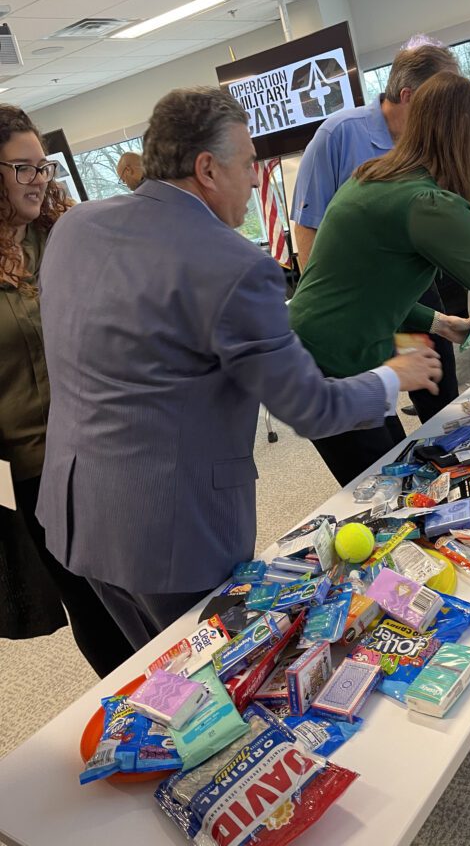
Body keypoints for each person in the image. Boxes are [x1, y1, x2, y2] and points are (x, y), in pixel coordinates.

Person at [35, 88, 441, 650]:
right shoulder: (234, 265)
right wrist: (395, 374)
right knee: (215, 685)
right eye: (249, 163)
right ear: (206, 169)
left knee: (157, 683)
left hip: (78, 514)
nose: (256, 181)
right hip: (174, 530)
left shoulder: (76, 227)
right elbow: (313, 409)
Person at [289, 73, 470, 487]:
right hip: (333, 361)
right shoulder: (428, 203)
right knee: (383, 488)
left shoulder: (375, 177)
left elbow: (371, 288)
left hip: (332, 352)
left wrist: (443, 323)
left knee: (395, 469)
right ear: (458, 137)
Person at [0, 104, 133, 676]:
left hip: (103, 439)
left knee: (143, 582)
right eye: (22, 169)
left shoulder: (61, 233)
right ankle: (139, 717)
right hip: (34, 468)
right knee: (92, 605)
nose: (38, 181)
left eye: (43, 167)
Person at [290, 38, 461, 423]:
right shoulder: (338, 135)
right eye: (442, 102)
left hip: (411, 295)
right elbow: (308, 228)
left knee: (438, 399)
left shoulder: (431, 144)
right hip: (356, 309)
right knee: (375, 412)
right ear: (409, 96)